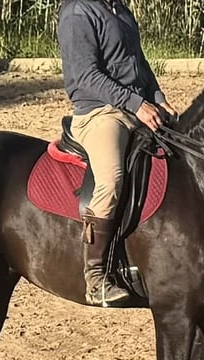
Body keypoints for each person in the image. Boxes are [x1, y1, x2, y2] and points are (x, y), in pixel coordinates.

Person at [57, 0, 177, 307]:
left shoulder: (120, 9)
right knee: (111, 179)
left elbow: (139, 63)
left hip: (136, 107)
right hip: (100, 113)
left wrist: (158, 98)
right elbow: (85, 75)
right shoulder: (78, 12)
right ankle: (95, 278)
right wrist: (136, 104)